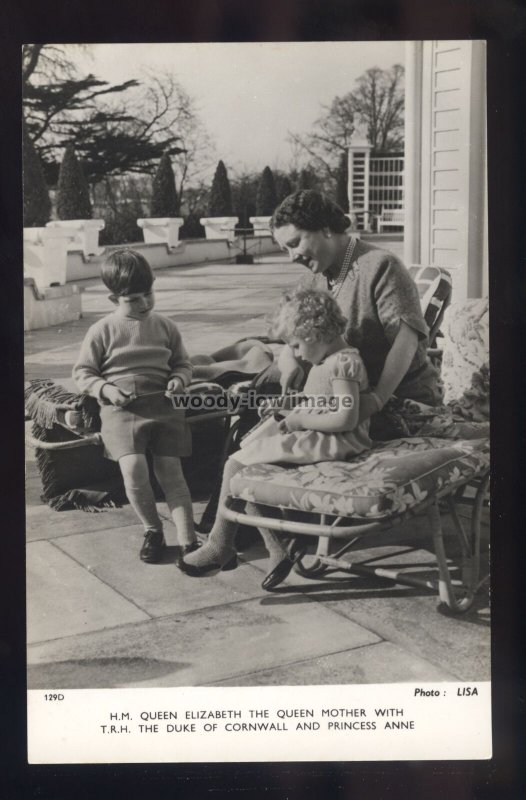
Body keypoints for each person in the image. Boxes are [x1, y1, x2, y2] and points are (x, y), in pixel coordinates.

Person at [179, 287, 371, 589]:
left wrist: (299, 418)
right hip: (316, 433)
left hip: (334, 441)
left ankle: (221, 545)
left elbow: (346, 415)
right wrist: (287, 408)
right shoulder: (327, 360)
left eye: (295, 346)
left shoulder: (344, 364)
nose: (294, 354)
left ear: (314, 334)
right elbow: (324, 403)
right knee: (247, 456)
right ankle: (277, 549)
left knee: (236, 464)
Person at [269, 190, 442, 426]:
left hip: (397, 398)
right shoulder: (314, 278)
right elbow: (294, 333)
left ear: (325, 228)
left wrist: (377, 399)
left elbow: (407, 341)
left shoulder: (381, 265)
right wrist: (289, 360)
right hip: (344, 396)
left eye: (294, 243)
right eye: (285, 249)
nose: (292, 257)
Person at [73, 248, 199, 564]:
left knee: (172, 472)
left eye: (148, 294)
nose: (144, 303)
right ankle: (153, 530)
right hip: (121, 409)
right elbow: (83, 372)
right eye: (133, 299)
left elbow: (183, 363)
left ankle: (189, 541)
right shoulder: (101, 330)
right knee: (133, 469)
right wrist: (106, 389)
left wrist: (179, 380)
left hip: (164, 404)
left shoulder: (166, 326)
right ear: (114, 300)